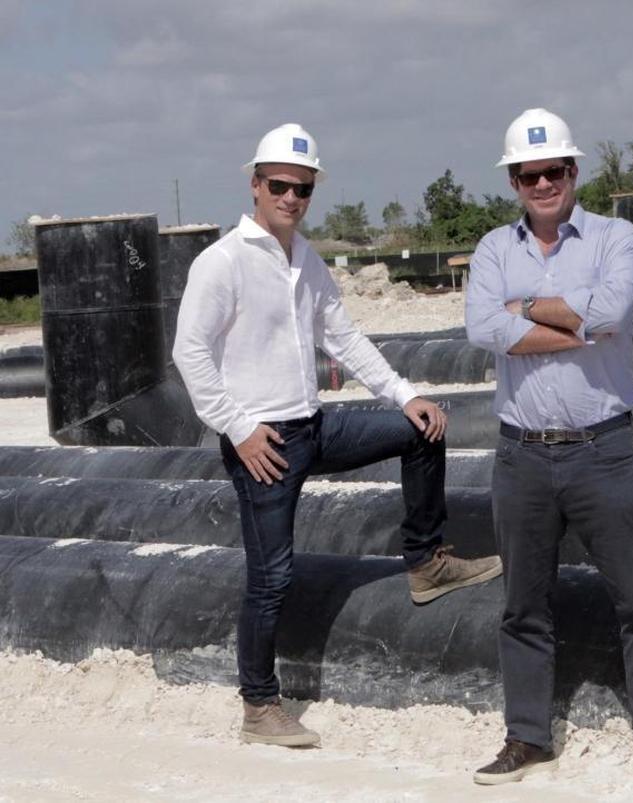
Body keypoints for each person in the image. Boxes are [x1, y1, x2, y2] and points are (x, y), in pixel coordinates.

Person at [173, 123, 502, 748]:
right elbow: (190, 353)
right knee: (271, 577)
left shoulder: (306, 260)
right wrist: (240, 430)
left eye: (302, 188)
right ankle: (259, 707)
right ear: (255, 185)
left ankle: (426, 562)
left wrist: (406, 394)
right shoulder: (222, 262)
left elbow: (343, 338)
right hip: (262, 441)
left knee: (419, 432)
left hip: (315, 426)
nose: (290, 198)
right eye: (279, 186)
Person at [464, 108, 633, 786]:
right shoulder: (492, 249)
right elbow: (483, 327)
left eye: (555, 170)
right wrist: (570, 318)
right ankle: (527, 736)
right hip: (521, 454)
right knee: (522, 604)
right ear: (514, 181)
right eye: (529, 173)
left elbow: (610, 313)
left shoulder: (615, 236)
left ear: (574, 172)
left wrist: (526, 308)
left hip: (602, 449)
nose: (543, 182)